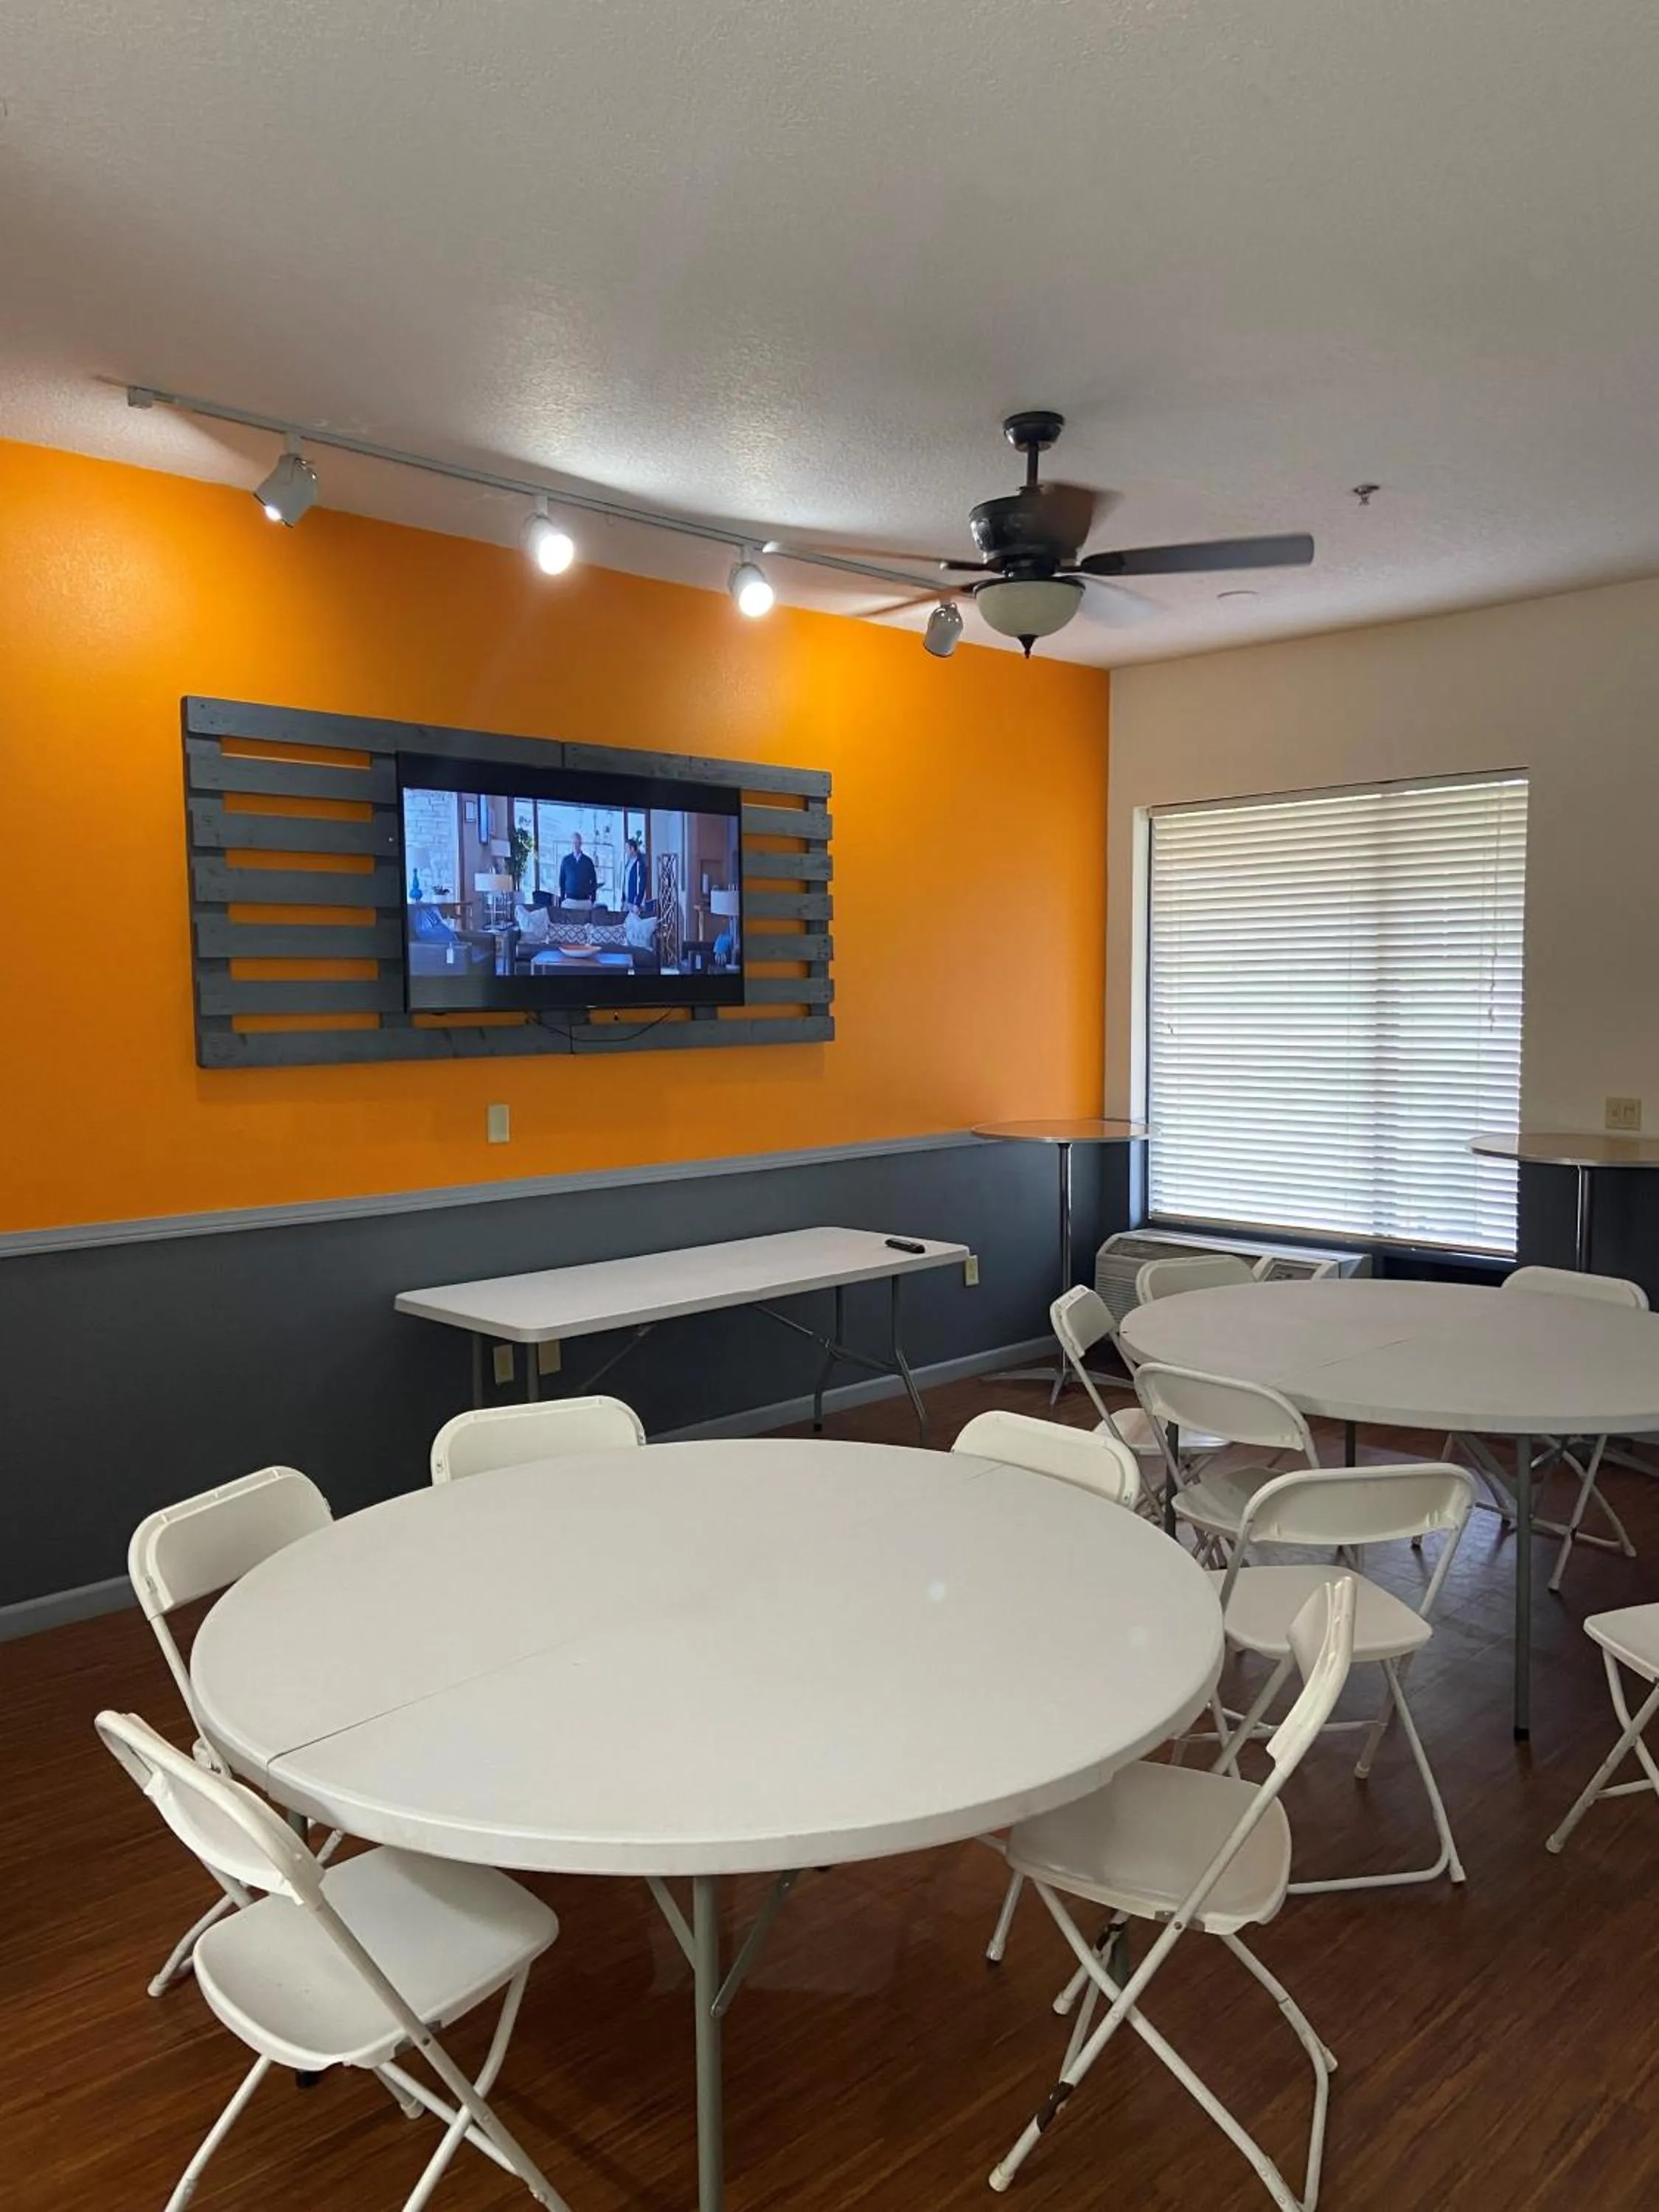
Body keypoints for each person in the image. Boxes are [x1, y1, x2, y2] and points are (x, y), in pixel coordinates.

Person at [557, 831, 598, 905]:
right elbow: (562, 880)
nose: (575, 845)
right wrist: (562, 898)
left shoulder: (588, 861)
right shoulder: (566, 860)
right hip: (569, 900)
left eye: (577, 842)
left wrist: (593, 898)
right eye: (573, 843)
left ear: (581, 843)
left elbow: (594, 881)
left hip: (585, 900)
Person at [622, 834, 647, 911]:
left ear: (632, 849)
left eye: (627, 849)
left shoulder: (640, 864)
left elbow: (642, 884)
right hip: (626, 901)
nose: (626, 851)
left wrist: (637, 903)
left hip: (634, 903)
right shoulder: (628, 863)